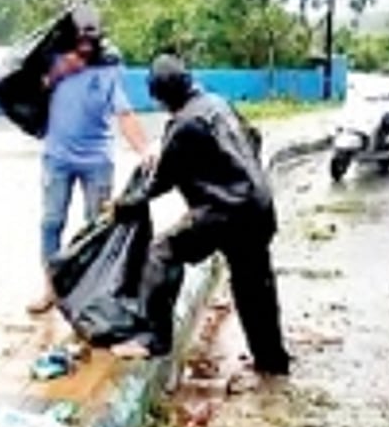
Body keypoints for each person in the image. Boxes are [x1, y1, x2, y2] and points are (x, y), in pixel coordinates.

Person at [109, 54, 291, 375]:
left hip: (225, 214)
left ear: (161, 96)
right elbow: (255, 137)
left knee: (161, 254)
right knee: (255, 286)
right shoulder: (218, 104)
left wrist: (122, 206)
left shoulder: (184, 124)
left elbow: (160, 182)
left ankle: (153, 340)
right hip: (259, 206)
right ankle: (272, 360)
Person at [27, 3, 153, 315]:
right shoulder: (53, 57)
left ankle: (89, 293)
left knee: (96, 226)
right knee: (51, 222)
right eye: (80, 41)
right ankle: (51, 290)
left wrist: (145, 149)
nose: (85, 48)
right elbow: (30, 90)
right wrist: (59, 71)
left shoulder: (108, 66)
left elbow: (123, 113)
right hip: (57, 157)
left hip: (97, 160)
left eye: (90, 42)